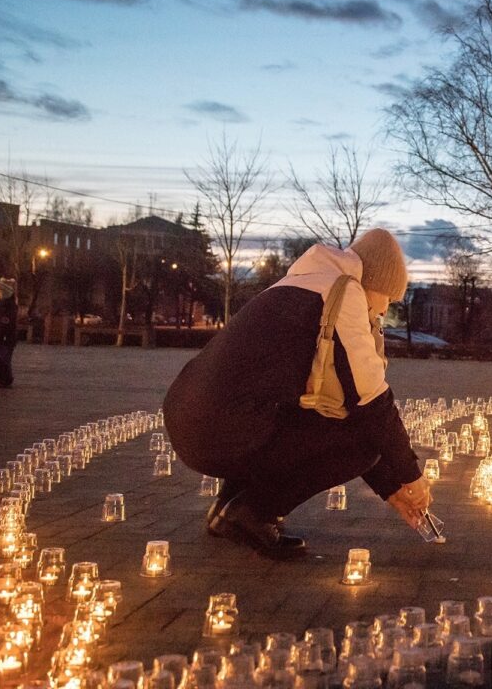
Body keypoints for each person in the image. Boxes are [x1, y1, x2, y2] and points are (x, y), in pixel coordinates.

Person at [162, 229, 430, 559]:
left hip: (190, 419)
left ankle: (227, 511)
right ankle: (253, 513)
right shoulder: (344, 292)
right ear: (373, 282)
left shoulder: (302, 283)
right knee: (360, 445)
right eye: (388, 298)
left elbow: (341, 410)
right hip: (222, 430)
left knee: (294, 414)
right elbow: (370, 401)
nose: (384, 309)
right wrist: (411, 476)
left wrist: (390, 488)